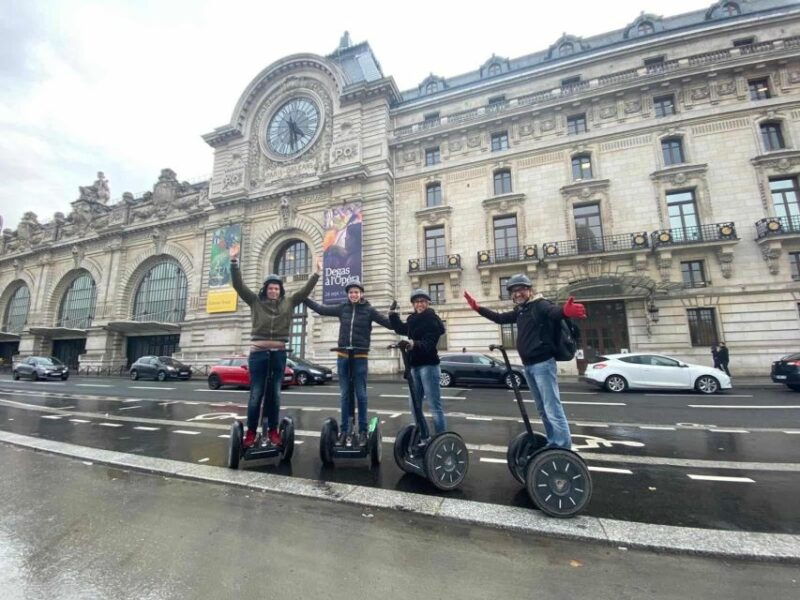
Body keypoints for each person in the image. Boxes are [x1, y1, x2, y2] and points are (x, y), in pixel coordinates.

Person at [463, 274, 586, 450]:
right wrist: (477, 308)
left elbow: (553, 312)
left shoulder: (540, 305)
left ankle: (563, 447)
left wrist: (565, 312)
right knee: (542, 409)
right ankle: (553, 442)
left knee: (552, 407)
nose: (517, 293)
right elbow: (499, 318)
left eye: (521, 289)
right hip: (528, 366)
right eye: (513, 291)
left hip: (543, 364)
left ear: (529, 290)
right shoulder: (521, 311)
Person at [230, 252, 320, 448]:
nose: (273, 291)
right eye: (271, 288)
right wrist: (234, 262)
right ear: (266, 289)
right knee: (256, 394)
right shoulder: (255, 301)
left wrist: (316, 274)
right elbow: (238, 286)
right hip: (258, 355)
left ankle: (273, 430)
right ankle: (251, 432)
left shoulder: (288, 302)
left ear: (281, 290)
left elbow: (304, 292)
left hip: (279, 354)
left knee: (275, 395)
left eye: (276, 288)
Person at [304, 278, 393, 445]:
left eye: (356, 292)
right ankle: (345, 430)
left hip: (360, 357)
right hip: (343, 356)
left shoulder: (369, 310)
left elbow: (387, 323)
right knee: (345, 394)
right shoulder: (342, 308)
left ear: (361, 294)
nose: (353, 294)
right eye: (351, 292)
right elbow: (321, 309)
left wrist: (396, 318)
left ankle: (363, 431)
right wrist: (304, 298)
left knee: (361, 394)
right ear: (348, 294)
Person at [389, 289, 447, 435]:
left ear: (427, 303)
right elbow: (401, 329)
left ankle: (441, 438)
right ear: (413, 304)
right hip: (413, 366)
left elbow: (429, 344)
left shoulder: (432, 319)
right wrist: (393, 315)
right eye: (416, 302)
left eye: (422, 301)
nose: (419, 304)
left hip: (429, 366)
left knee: (434, 406)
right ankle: (424, 435)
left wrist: (413, 343)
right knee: (415, 406)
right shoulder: (412, 319)